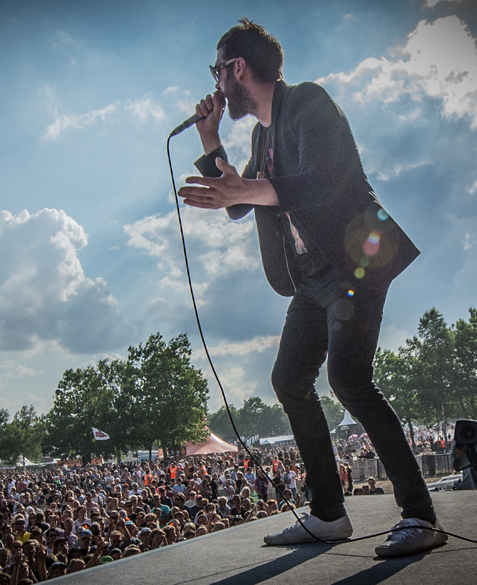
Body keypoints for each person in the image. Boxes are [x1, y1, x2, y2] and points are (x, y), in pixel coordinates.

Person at [178, 18, 446, 557]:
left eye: (217, 70)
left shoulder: (309, 103)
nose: (216, 83)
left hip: (356, 264)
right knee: (289, 380)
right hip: (311, 278)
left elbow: (324, 182)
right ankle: (327, 513)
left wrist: (247, 186)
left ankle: (420, 515)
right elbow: (239, 202)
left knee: (348, 380)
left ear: (237, 69)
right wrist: (210, 141)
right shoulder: (259, 133)